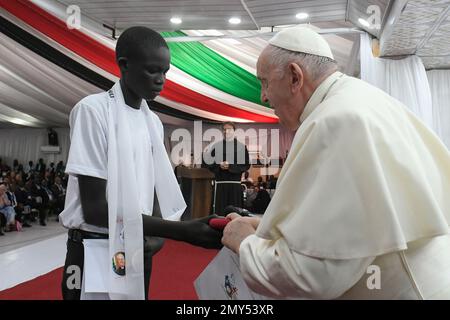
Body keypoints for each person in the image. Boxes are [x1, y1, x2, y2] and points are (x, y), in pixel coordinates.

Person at [221, 26, 450, 299]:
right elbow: (347, 225)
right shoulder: (360, 98)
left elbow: (314, 275)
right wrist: (269, 228)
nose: (263, 96)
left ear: (295, 76)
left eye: (265, 81)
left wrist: (245, 243)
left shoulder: (334, 121)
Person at [59, 26, 222, 300]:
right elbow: (96, 211)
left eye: (165, 72)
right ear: (124, 65)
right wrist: (180, 231)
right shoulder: (93, 110)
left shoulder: (153, 122)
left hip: (137, 246)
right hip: (95, 246)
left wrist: (157, 235)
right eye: (152, 70)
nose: (161, 80)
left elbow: (153, 187)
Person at [203, 122, 250, 215]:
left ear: (234, 131)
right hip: (220, 185)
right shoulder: (217, 146)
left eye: (229, 129)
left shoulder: (241, 147)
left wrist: (230, 166)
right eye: (224, 129)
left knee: (235, 213)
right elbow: (207, 163)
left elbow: (246, 165)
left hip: (235, 186)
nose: (226, 131)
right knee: (219, 213)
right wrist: (219, 165)